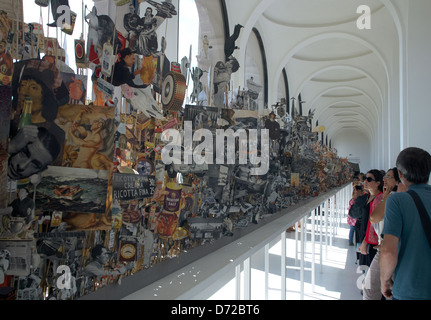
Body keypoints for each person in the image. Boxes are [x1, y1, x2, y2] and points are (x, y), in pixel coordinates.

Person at [380, 147, 431, 300]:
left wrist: (385, 280)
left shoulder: (397, 201)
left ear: (400, 174)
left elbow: (389, 250)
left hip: (410, 289)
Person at [362, 167, 402, 300]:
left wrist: (385, 198)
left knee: (371, 288)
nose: (385, 179)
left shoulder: (392, 198)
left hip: (387, 248)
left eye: (389, 177)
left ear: (398, 180)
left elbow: (374, 218)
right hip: (387, 246)